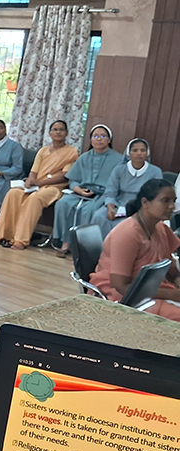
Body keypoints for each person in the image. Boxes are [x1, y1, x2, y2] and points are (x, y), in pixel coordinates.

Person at [88, 179, 180, 322]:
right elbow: (121, 287)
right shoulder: (127, 233)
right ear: (145, 203)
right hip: (123, 297)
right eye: (165, 201)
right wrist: (172, 295)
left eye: (173, 201)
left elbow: (172, 272)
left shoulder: (161, 228)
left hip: (153, 291)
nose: (171, 207)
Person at [0, 120, 79, 249]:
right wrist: (30, 181)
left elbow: (64, 176)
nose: (58, 132)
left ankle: (20, 240)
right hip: (36, 185)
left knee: (34, 199)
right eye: (55, 129)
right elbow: (33, 172)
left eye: (61, 130)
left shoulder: (71, 152)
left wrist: (40, 183)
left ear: (66, 133)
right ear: (50, 133)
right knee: (13, 193)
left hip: (54, 188)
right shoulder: (43, 151)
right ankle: (4, 235)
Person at [52, 124, 124, 257]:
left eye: (103, 136)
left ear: (109, 140)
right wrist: (77, 189)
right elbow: (73, 180)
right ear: (91, 140)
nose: (99, 139)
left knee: (90, 210)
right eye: (95, 136)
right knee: (63, 204)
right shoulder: (84, 157)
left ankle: (83, 248)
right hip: (81, 192)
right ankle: (65, 243)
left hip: (104, 194)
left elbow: (117, 184)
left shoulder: (119, 160)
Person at [90, 138, 162, 238]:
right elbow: (110, 192)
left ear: (147, 153)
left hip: (141, 207)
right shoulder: (119, 170)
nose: (139, 153)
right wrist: (111, 208)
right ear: (129, 153)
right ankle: (98, 250)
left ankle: (118, 252)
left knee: (125, 225)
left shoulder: (155, 172)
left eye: (143, 150)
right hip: (118, 203)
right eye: (135, 150)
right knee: (99, 216)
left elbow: (155, 196)